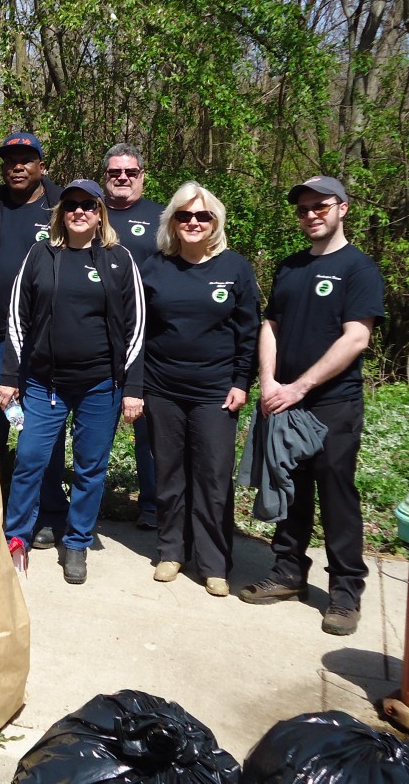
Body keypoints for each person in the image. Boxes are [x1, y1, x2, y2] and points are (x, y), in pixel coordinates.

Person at [240, 175, 384, 636]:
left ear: (342, 208)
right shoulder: (291, 267)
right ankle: (287, 572)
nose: (311, 215)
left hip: (332, 404)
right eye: (303, 209)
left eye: (320, 206)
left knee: (337, 495)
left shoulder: (359, 269)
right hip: (284, 398)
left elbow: (356, 337)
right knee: (289, 487)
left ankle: (345, 592)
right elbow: (271, 326)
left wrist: (300, 387)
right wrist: (268, 382)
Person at [0, 180, 144, 585]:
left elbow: (135, 328)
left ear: (100, 213)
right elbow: (16, 318)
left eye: (88, 205)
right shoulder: (40, 254)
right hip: (46, 383)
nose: (80, 211)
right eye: (72, 205)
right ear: (61, 212)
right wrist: (10, 376)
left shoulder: (118, 259)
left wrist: (132, 386)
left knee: (89, 467)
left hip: (100, 385)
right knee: (30, 460)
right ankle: (16, 539)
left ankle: (77, 542)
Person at [142, 182, 260, 597]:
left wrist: (242, 382)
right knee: (170, 476)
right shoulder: (154, 267)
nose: (193, 222)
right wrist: (136, 387)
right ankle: (172, 550)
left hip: (215, 393)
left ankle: (214, 563)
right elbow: (138, 332)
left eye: (203, 216)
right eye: (184, 215)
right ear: (172, 221)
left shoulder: (235, 268)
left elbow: (249, 331)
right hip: (163, 388)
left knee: (212, 477)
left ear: (216, 222)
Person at [0, 132, 67, 543]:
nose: (17, 166)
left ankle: (45, 513)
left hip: (45, 344)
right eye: (10, 160)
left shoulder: (61, 209)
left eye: (26, 159)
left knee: (40, 432)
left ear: (41, 165)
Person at [102, 143, 163, 530]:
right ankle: (86, 500)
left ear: (142, 175)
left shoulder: (162, 217)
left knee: (149, 429)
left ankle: (154, 504)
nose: (122, 178)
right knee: (96, 425)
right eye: (114, 173)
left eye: (130, 172)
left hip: (151, 340)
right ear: (104, 177)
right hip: (99, 339)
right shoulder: (90, 212)